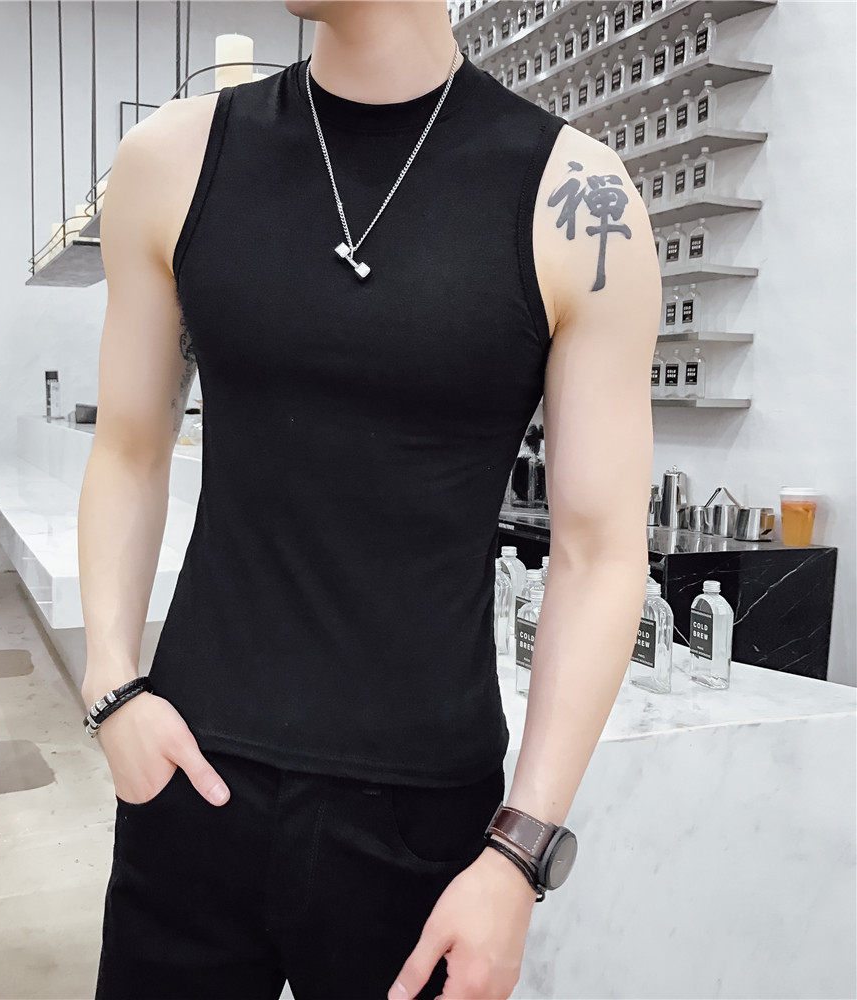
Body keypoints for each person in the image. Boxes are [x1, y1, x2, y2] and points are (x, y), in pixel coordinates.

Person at [78, 1, 660, 997]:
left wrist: (518, 856)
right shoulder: (174, 159)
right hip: (191, 777)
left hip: (426, 823)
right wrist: (112, 688)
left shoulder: (575, 197)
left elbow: (599, 551)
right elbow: (129, 448)